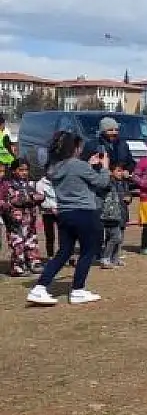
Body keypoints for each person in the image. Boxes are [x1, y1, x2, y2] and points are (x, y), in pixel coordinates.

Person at [26, 131, 110, 306]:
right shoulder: (78, 165)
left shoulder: (54, 167)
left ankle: (40, 287)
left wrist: (88, 165)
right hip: (85, 212)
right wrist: (104, 167)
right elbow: (102, 183)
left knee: (64, 252)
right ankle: (78, 290)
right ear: (73, 148)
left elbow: (74, 177)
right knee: (89, 250)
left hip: (65, 213)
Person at [1, 159, 43, 276]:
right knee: (17, 242)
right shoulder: (8, 185)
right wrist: (29, 198)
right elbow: (14, 200)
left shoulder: (29, 184)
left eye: (26, 170)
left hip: (30, 219)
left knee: (31, 241)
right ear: (14, 171)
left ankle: (33, 262)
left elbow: (39, 197)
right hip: (14, 220)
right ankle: (18, 266)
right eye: (21, 170)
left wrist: (34, 197)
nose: (24, 172)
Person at [99, 162, 131, 269]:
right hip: (111, 215)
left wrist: (128, 198)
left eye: (121, 170)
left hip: (122, 213)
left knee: (119, 238)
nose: (120, 173)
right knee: (115, 237)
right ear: (111, 172)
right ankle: (105, 258)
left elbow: (128, 194)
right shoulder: (109, 182)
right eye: (118, 170)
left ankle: (115, 258)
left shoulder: (124, 183)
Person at [34, 174, 58, 258]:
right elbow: (40, 199)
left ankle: (67, 256)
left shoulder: (61, 180)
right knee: (49, 236)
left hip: (61, 210)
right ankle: (50, 256)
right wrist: (50, 208)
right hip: (47, 212)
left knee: (65, 235)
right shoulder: (40, 183)